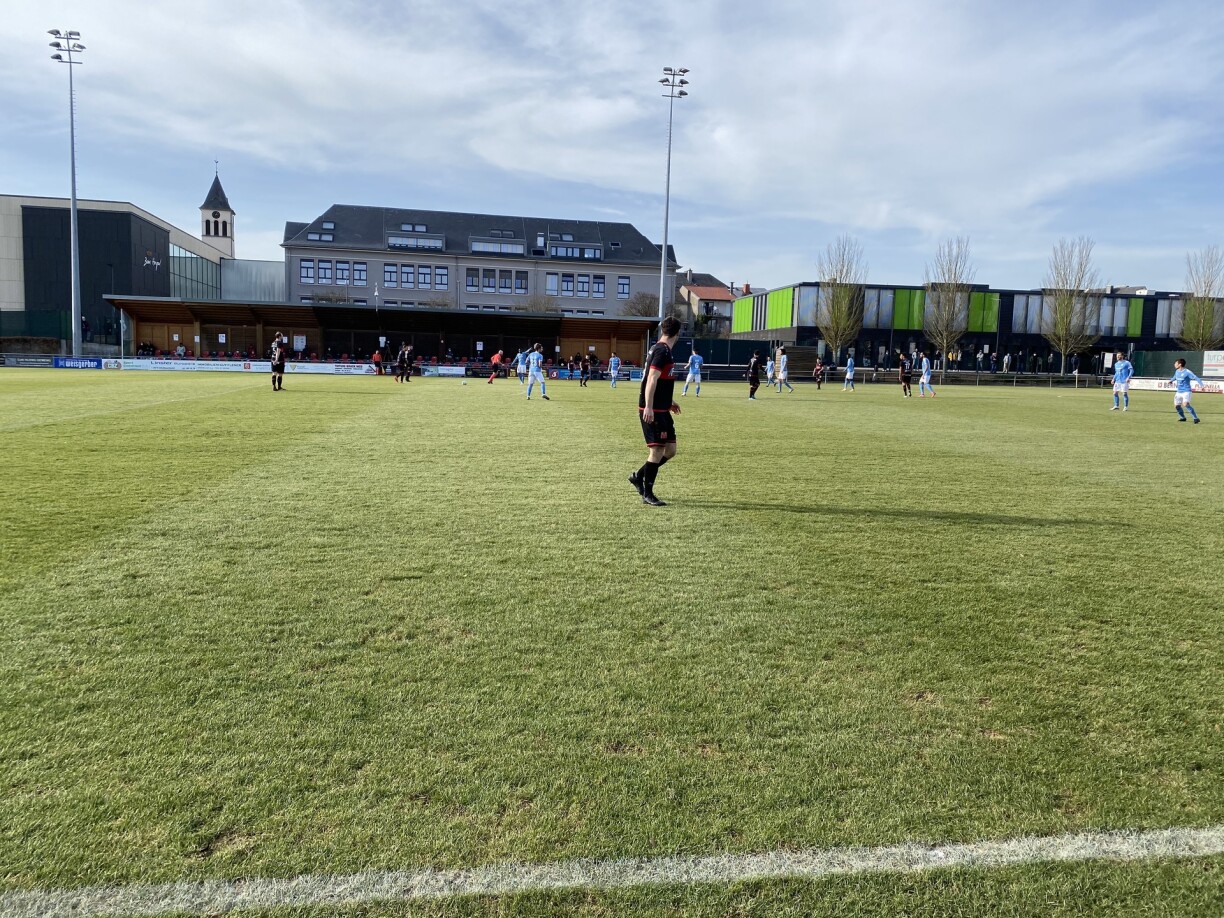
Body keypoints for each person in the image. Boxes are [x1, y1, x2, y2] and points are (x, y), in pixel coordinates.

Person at [629, 316, 682, 507]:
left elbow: (659, 380)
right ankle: (648, 493)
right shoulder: (662, 350)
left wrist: (669, 401)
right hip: (653, 409)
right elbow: (651, 378)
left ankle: (638, 476)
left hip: (662, 407)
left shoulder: (660, 348)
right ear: (678, 333)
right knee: (657, 450)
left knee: (670, 450)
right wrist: (649, 406)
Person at [1170, 358, 1204, 423]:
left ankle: (1196, 418)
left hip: (1186, 391)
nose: (1174, 364)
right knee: (1177, 406)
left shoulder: (1187, 372)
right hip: (1179, 392)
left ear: (1180, 364)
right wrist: (1171, 380)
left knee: (1185, 404)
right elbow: (1175, 377)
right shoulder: (1177, 371)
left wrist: (1202, 386)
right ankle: (1183, 418)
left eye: (1176, 363)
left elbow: (1196, 378)